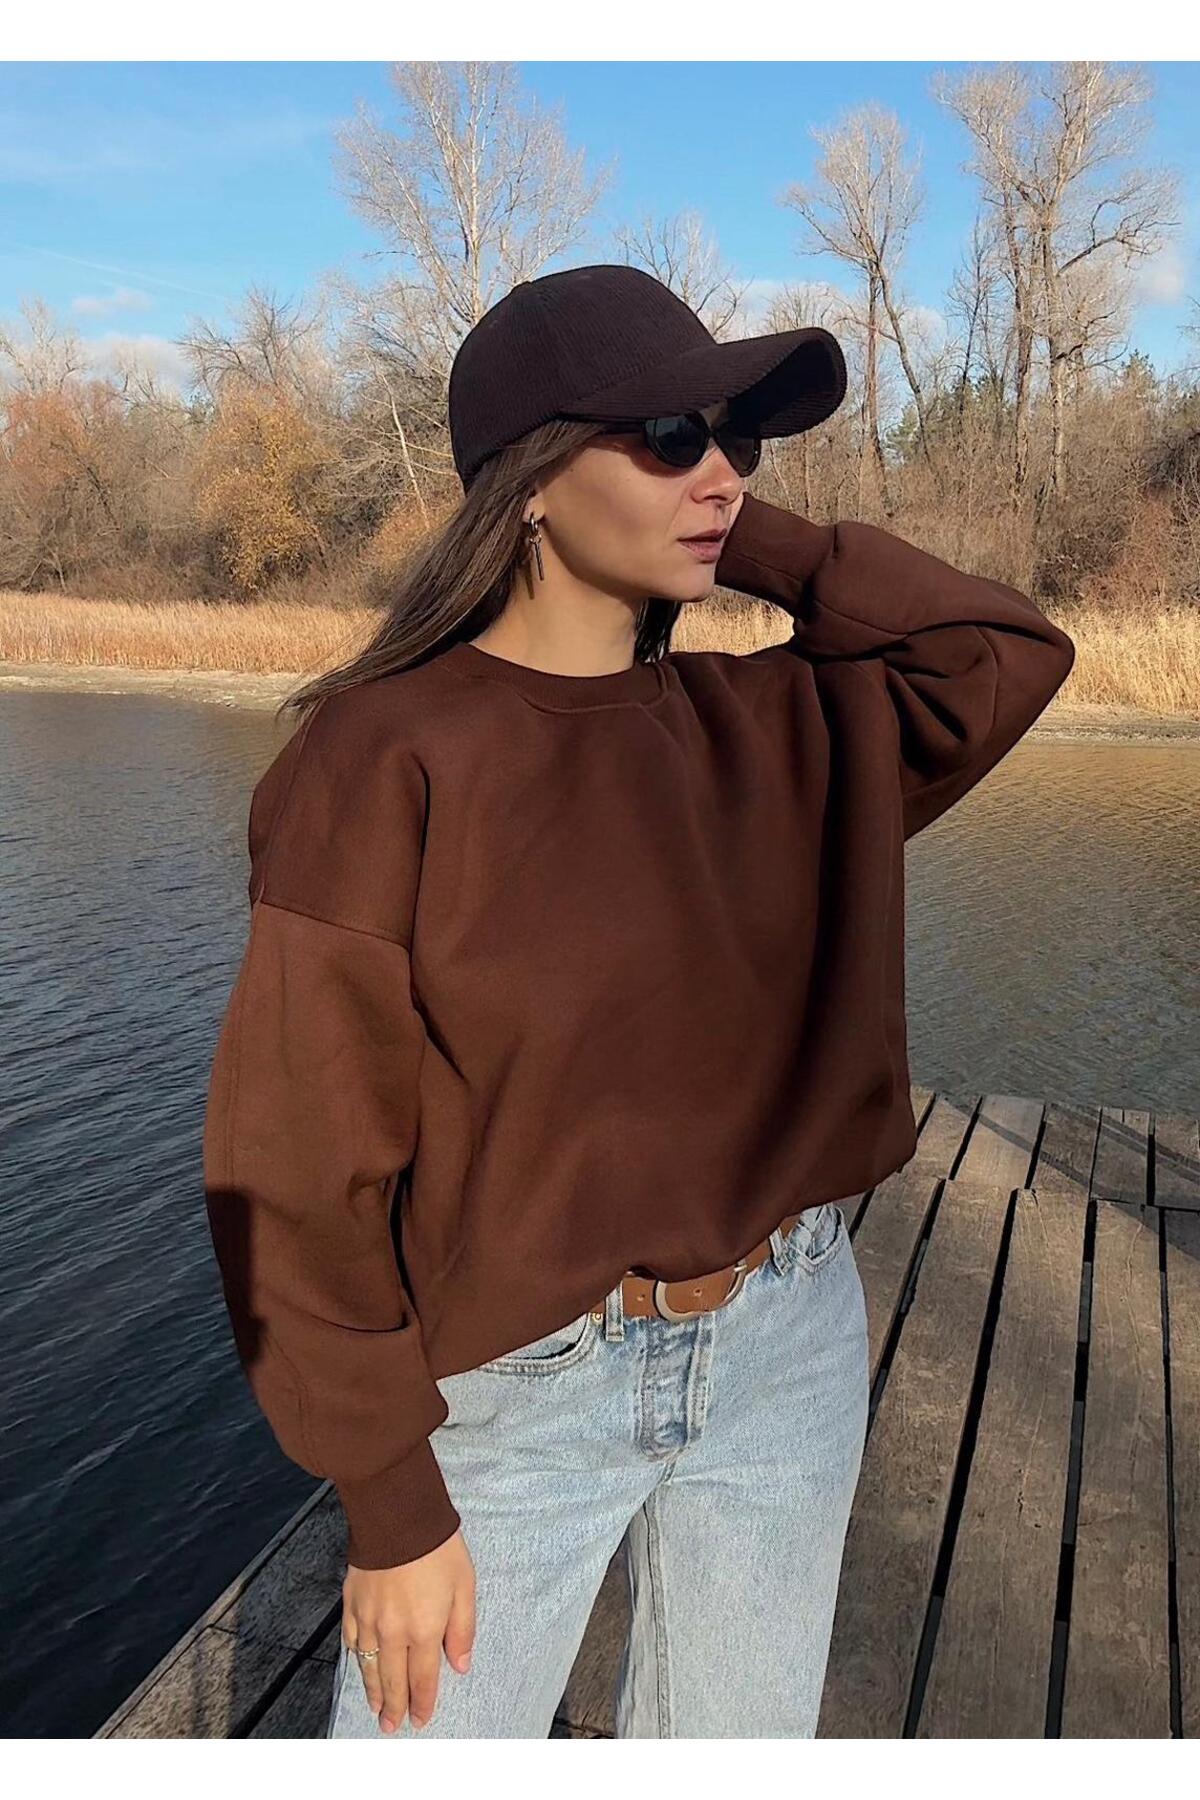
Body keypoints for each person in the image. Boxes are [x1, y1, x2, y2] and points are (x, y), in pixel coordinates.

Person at [201, 263, 1076, 1739]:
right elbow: (296, 1162)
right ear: (530, 482)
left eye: (741, 439)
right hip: (517, 1390)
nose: (721, 470)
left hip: (787, 1339)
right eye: (670, 433)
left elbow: (998, 654)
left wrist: (740, 535)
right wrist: (392, 1501)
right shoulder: (385, 756)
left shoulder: (780, 726)